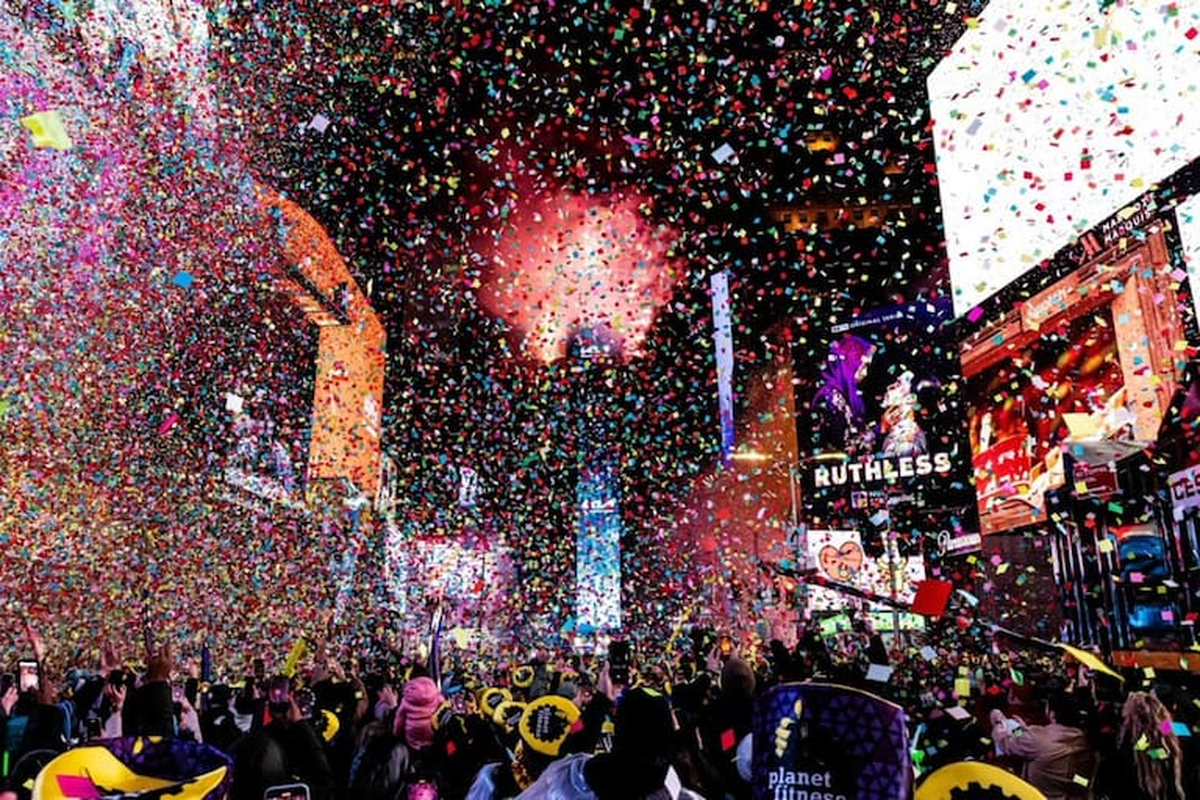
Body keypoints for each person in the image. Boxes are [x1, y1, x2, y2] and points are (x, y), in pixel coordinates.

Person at [990, 693, 1095, 800]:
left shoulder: (1037, 738)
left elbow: (1007, 742)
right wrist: (1023, 729)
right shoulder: (1083, 739)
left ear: (1052, 714)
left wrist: (1001, 725)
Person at [1108, 691, 1187, 800]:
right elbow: (1184, 733)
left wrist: (1150, 755)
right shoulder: (1165, 727)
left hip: (1144, 788)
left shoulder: (1137, 736)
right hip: (1166, 787)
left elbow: (1135, 754)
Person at [811, 335, 876, 458]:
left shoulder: (846, 394)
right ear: (848, 365)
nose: (865, 373)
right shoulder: (830, 398)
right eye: (862, 367)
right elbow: (846, 447)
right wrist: (881, 430)